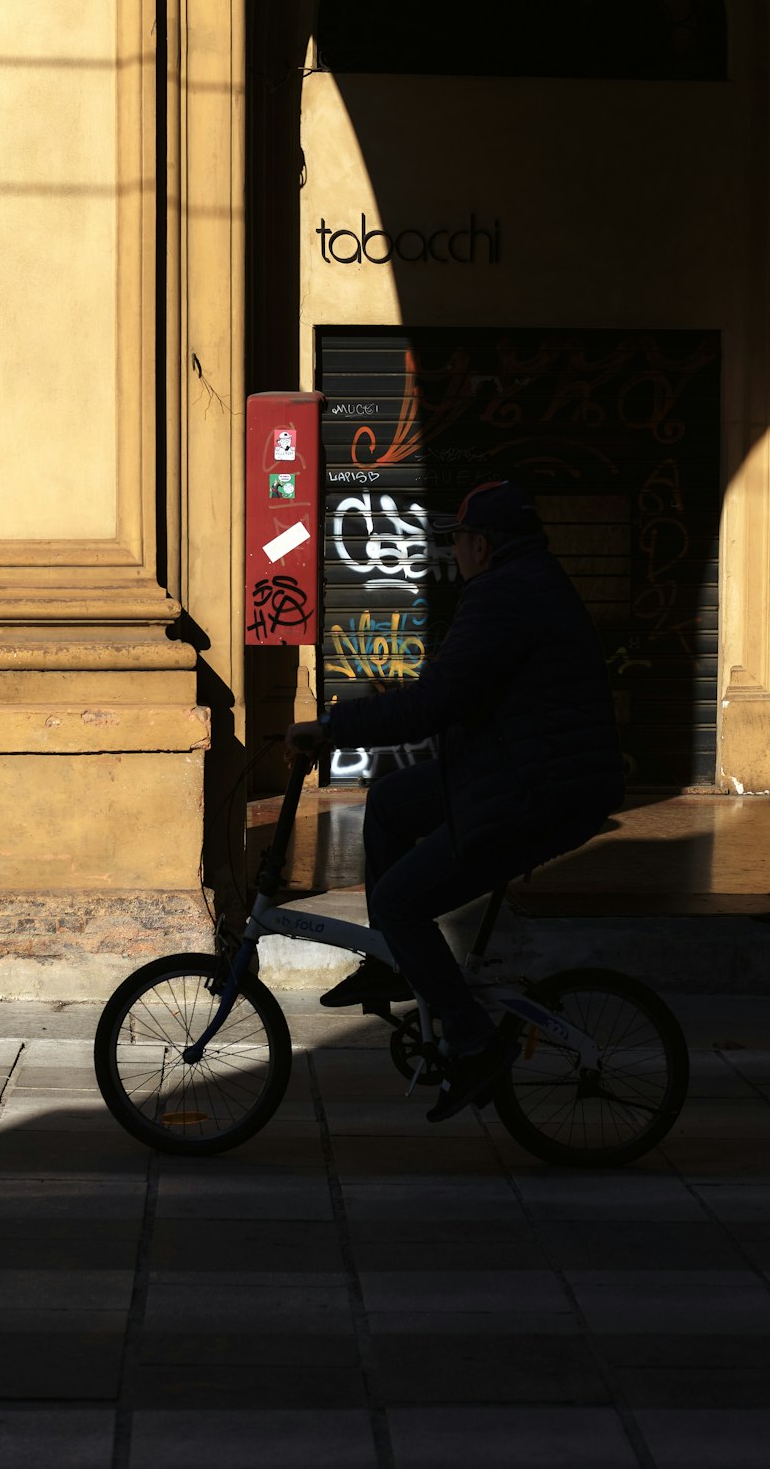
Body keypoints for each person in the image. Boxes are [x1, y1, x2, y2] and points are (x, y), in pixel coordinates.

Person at [285, 480, 624, 1121]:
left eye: (459, 542)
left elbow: (433, 705)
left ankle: (470, 1040)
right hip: (518, 773)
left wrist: (332, 731)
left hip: (536, 794)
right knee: (389, 802)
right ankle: (391, 963)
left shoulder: (503, 596)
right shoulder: (527, 584)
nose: (454, 556)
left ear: (480, 545)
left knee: (398, 900)